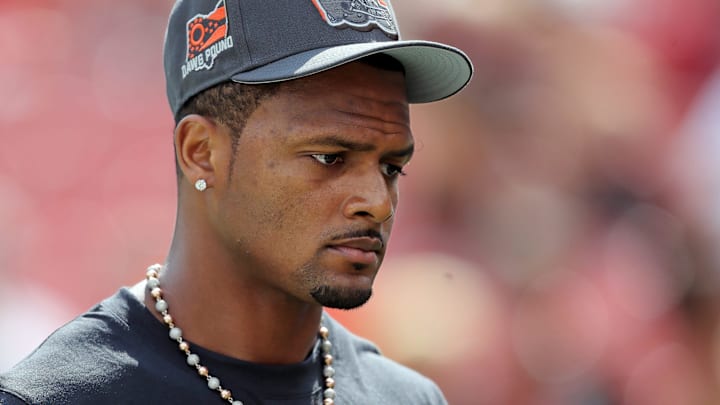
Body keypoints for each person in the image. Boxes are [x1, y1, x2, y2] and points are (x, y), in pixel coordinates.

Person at [0, 0, 472, 403]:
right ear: (200, 153)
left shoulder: (407, 397)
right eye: (329, 157)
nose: (377, 202)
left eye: (392, 167)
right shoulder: (60, 396)